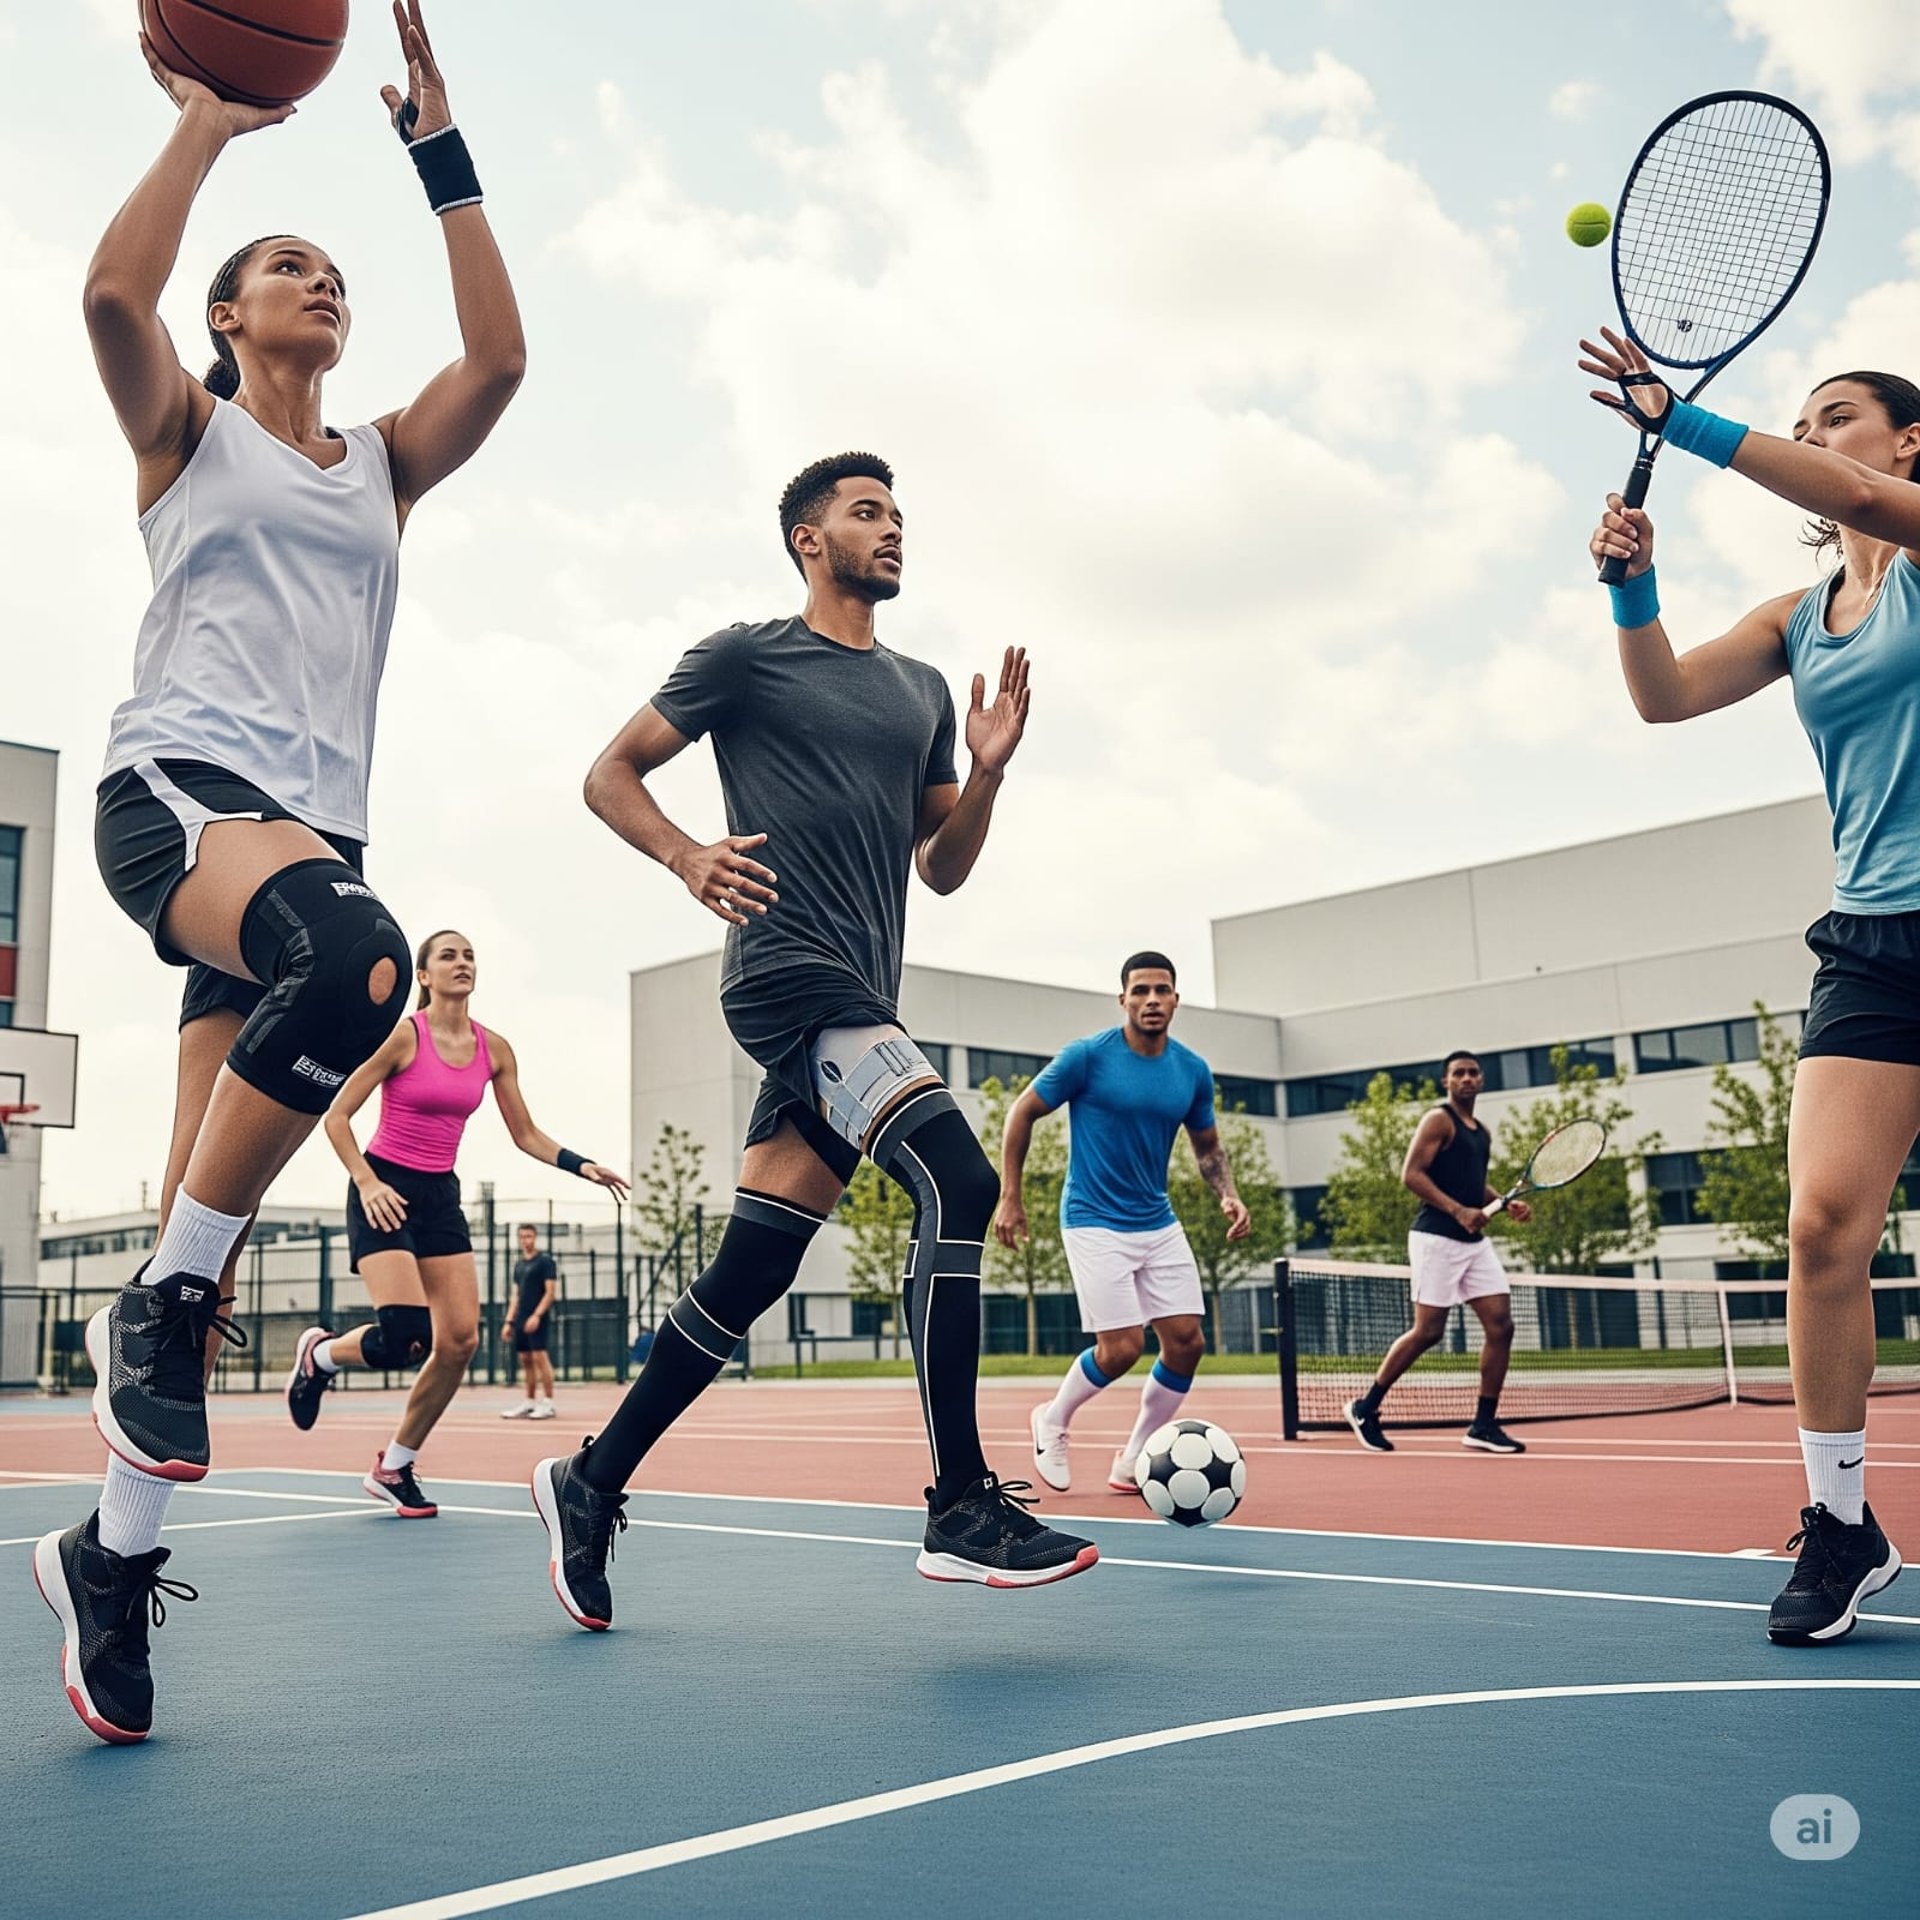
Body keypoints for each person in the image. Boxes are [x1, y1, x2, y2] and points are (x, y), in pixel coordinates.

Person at [33, 3, 526, 1746]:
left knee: (217, 1218)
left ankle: (110, 1562)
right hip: (185, 799)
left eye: (335, 271)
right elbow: (112, 300)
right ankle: (159, 1297)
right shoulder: (187, 430)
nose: (322, 282)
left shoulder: (381, 461)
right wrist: (206, 122)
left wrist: (439, 155)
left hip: (308, 848)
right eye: (287, 269)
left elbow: (500, 362)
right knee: (364, 964)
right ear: (230, 316)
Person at [546, 450, 1097, 1629]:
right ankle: (960, 1503)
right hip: (786, 975)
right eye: (866, 512)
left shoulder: (920, 692)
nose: (892, 528)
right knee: (959, 1177)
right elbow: (609, 774)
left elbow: (941, 868)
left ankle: (590, 1480)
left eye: (898, 513)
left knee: (753, 1268)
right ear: (809, 538)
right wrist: (686, 855)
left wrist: (987, 776)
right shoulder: (745, 656)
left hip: (861, 992)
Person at [1581, 330, 1915, 1643]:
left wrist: (1687, 422)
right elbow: (1664, 697)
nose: (1818, 434)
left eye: (1837, 414)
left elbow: (1864, 500)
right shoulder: (1795, 619)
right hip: (1874, 946)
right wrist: (1634, 591)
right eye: (1806, 420)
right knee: (1823, 1231)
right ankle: (1841, 1524)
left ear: (1909, 439)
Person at [285, 930, 626, 1509]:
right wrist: (367, 1183)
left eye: (469, 955)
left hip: (440, 1197)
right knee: (404, 1339)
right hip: (383, 1187)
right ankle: (319, 1356)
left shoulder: (495, 1049)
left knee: (460, 1341)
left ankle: (395, 1467)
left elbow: (525, 1133)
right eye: (448, 955)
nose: (462, 963)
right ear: (424, 975)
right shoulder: (403, 1036)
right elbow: (337, 1117)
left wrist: (580, 1164)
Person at [998, 952, 1249, 1493]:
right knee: (1122, 1349)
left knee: (1187, 1343)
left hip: (1156, 1219)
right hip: (1092, 1218)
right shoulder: (1087, 1057)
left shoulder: (1192, 1071)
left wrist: (1228, 1194)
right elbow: (1022, 1112)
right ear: (1123, 999)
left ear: (1176, 1000)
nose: (1151, 1000)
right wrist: (1010, 1196)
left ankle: (1134, 1457)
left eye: (1161, 990)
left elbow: (1207, 1148)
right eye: (1140, 991)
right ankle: (1053, 1419)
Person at [1342, 1051, 1531, 1456]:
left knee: (1501, 1325)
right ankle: (1365, 1407)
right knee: (1429, 1331)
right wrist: (1459, 1211)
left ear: (1482, 1080)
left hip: (1473, 1245)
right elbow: (1411, 1175)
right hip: (1435, 1239)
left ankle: (1483, 1425)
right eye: (1458, 1073)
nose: (1466, 1078)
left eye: (1473, 1072)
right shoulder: (1438, 1120)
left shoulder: (1482, 1133)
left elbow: (1472, 1183)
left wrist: (1503, 1202)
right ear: (1446, 1081)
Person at [501, 1223, 560, 1419]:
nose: (525, 1240)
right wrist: (509, 1322)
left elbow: (550, 1293)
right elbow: (515, 1296)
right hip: (521, 1318)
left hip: (538, 1318)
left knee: (539, 1357)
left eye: (529, 1236)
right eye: (522, 1237)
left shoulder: (545, 1262)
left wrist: (537, 1316)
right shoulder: (519, 1265)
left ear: (535, 1237)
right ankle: (530, 1401)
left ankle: (548, 1403)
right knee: (525, 1360)